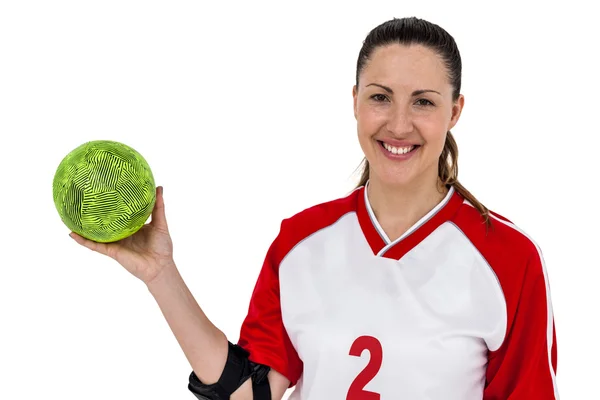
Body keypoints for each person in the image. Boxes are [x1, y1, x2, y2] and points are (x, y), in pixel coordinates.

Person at [69, 17, 559, 400]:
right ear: (354, 101)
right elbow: (252, 393)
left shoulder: (509, 258)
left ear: (455, 112)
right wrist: (161, 275)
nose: (399, 123)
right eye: (380, 98)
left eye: (424, 102)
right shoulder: (300, 242)